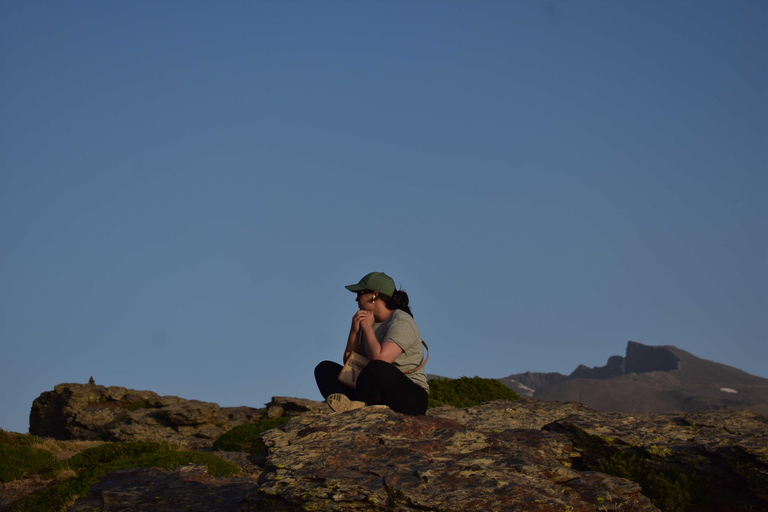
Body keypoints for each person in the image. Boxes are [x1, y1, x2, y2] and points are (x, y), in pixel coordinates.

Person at [314, 272, 429, 415]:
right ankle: (354, 405)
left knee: (376, 367)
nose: (356, 298)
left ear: (374, 295)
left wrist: (367, 328)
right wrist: (354, 331)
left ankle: (360, 403)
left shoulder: (401, 321)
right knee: (325, 369)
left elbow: (381, 359)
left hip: (411, 398)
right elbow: (350, 364)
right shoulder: (369, 321)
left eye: (360, 293)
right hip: (375, 390)